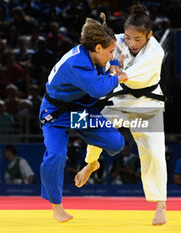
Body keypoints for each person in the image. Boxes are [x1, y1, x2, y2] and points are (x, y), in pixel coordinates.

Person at [75, 4, 168, 225]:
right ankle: (91, 163)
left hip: (147, 104)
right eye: (128, 37)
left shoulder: (156, 52)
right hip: (120, 100)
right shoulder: (118, 42)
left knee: (154, 153)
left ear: (149, 35)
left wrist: (118, 70)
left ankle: (161, 204)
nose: (132, 43)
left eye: (138, 39)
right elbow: (100, 51)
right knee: (97, 129)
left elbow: (128, 75)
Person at [39, 13, 127, 223]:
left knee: (116, 143)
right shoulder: (75, 64)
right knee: (56, 155)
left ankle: (91, 164)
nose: (112, 54)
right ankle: (57, 207)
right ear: (97, 48)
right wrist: (118, 77)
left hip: (79, 113)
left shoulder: (95, 54)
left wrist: (114, 64)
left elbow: (109, 63)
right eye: (110, 51)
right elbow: (98, 89)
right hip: (56, 114)